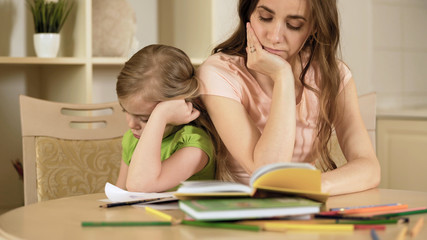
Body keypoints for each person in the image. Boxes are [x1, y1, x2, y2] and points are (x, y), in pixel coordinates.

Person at [196, 0, 380, 195]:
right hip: (240, 211)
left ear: (314, 27)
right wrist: (282, 76)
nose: (274, 36)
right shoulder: (220, 73)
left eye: (294, 25)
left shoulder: (333, 75)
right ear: (248, 13)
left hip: (302, 206)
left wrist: (312, 186)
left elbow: (369, 168)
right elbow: (267, 173)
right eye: (265, 18)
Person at [115, 44, 220, 192]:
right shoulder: (132, 139)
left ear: (178, 105)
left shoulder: (194, 144)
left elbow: (140, 185)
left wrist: (160, 115)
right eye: (125, 110)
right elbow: (119, 193)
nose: (131, 124)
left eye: (145, 119)